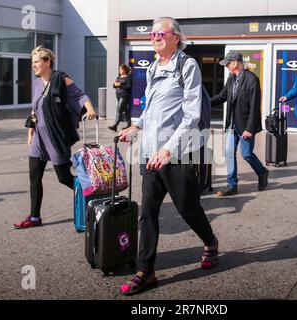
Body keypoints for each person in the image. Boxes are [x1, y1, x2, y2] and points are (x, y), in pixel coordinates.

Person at [117, 17, 219, 295]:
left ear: (176, 37)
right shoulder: (152, 67)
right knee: (147, 213)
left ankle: (210, 242)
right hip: (150, 153)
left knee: (188, 209)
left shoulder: (187, 66)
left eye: (160, 33)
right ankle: (145, 271)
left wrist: (169, 149)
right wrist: (136, 126)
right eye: (152, 34)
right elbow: (151, 108)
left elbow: (192, 114)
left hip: (176, 155)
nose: (155, 38)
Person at [13, 46, 96, 229]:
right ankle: (34, 217)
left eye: (36, 62)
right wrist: (30, 129)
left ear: (47, 62)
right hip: (37, 137)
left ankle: (92, 195)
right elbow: (34, 108)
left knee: (64, 177)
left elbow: (80, 95)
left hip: (55, 136)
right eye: (33, 62)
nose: (33, 66)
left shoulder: (60, 79)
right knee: (34, 177)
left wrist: (89, 108)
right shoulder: (36, 83)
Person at [210, 51, 269, 197]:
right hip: (231, 124)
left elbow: (255, 107)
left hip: (245, 126)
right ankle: (232, 185)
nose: (226, 67)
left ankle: (262, 172)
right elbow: (222, 96)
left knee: (246, 154)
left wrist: (249, 128)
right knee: (229, 154)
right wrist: (205, 102)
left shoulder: (252, 80)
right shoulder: (231, 78)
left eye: (228, 64)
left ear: (235, 63)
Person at [108, 64, 132, 131]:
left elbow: (128, 87)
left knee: (119, 109)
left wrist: (120, 85)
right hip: (118, 95)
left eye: (121, 69)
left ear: (124, 70)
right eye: (119, 69)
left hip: (124, 96)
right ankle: (129, 124)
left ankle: (115, 124)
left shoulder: (128, 78)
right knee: (125, 110)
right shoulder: (118, 77)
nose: (120, 70)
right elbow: (114, 85)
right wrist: (115, 85)